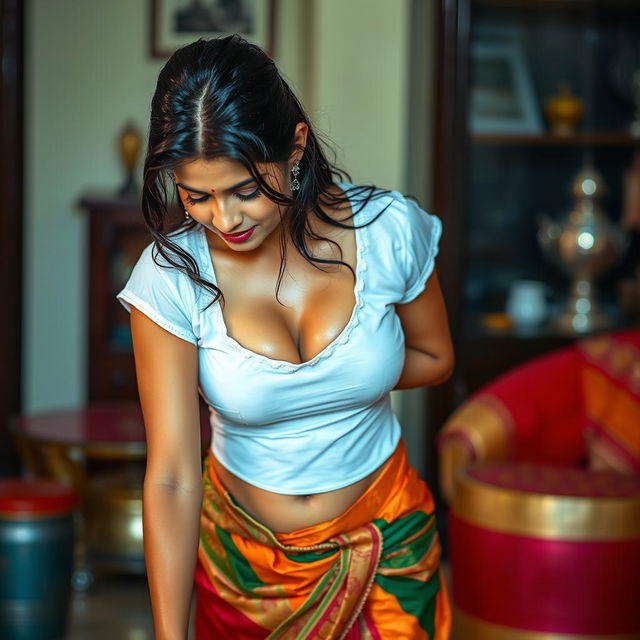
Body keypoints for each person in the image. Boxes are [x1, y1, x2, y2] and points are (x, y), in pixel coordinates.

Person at [117, 34, 454, 640]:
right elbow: (171, 474)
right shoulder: (170, 278)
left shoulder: (386, 228)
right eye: (197, 197)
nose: (225, 220)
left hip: (387, 549)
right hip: (248, 572)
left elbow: (435, 358)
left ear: (295, 147)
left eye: (246, 189)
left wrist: (354, 369)